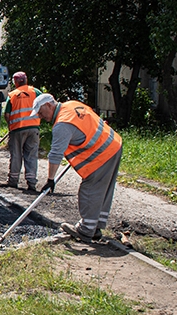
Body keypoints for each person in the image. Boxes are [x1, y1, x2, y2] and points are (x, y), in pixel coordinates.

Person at [34, 94, 123, 243]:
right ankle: (95, 227)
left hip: (101, 153)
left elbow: (55, 155)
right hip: (112, 143)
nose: (40, 116)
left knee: (90, 189)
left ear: (49, 105)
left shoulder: (62, 124)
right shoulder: (71, 105)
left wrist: (50, 180)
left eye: (41, 112)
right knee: (102, 190)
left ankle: (86, 230)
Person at [2, 72, 42, 191]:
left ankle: (13, 180)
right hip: (34, 128)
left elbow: (7, 114)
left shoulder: (13, 95)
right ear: (26, 80)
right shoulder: (36, 92)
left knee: (16, 155)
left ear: (15, 82)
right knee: (31, 155)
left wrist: (10, 125)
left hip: (17, 130)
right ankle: (32, 183)